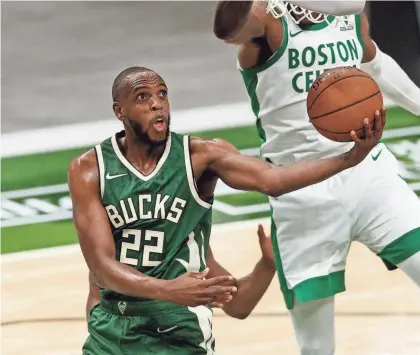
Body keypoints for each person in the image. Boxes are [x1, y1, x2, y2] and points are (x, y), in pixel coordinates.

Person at [68, 66, 383, 355]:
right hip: (111, 329)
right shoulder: (90, 169)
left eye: (163, 94)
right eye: (143, 96)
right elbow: (101, 267)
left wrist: (348, 159)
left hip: (178, 330)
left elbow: (272, 180)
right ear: (119, 111)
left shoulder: (200, 158)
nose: (157, 103)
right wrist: (167, 290)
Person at [213, 1, 420, 354]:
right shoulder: (267, 19)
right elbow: (226, 29)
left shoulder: (349, 15)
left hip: (370, 174)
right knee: (317, 347)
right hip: (300, 192)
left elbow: (376, 62)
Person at [87, 224, 276, 320]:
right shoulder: (112, 237)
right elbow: (97, 301)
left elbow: (237, 305)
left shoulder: (188, 235)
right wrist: (168, 290)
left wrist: (267, 264)